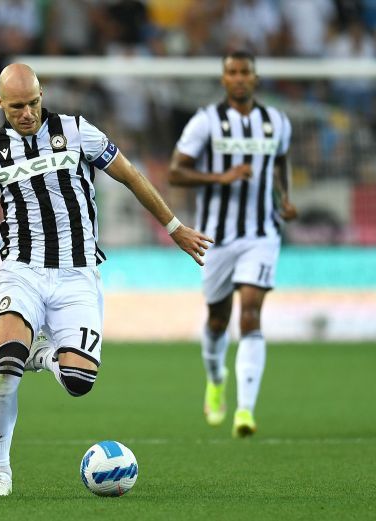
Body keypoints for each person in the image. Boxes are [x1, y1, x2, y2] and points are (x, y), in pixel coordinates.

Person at [0, 63, 210, 496]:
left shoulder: (77, 131)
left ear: (41, 95)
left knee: (79, 382)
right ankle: (0, 473)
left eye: (33, 102)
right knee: (6, 365)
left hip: (78, 275)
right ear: (0, 105)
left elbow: (131, 176)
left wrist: (175, 226)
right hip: (23, 271)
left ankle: (41, 355)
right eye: (17, 107)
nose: (28, 113)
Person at [168, 50, 297, 438]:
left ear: (255, 79)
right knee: (218, 320)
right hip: (216, 238)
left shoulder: (276, 122)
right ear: (224, 80)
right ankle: (215, 379)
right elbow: (176, 172)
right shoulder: (206, 121)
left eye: (245, 72)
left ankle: (245, 410)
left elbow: (280, 163)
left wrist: (283, 199)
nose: (239, 78)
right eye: (232, 72)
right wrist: (221, 178)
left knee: (251, 313)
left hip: (261, 234)